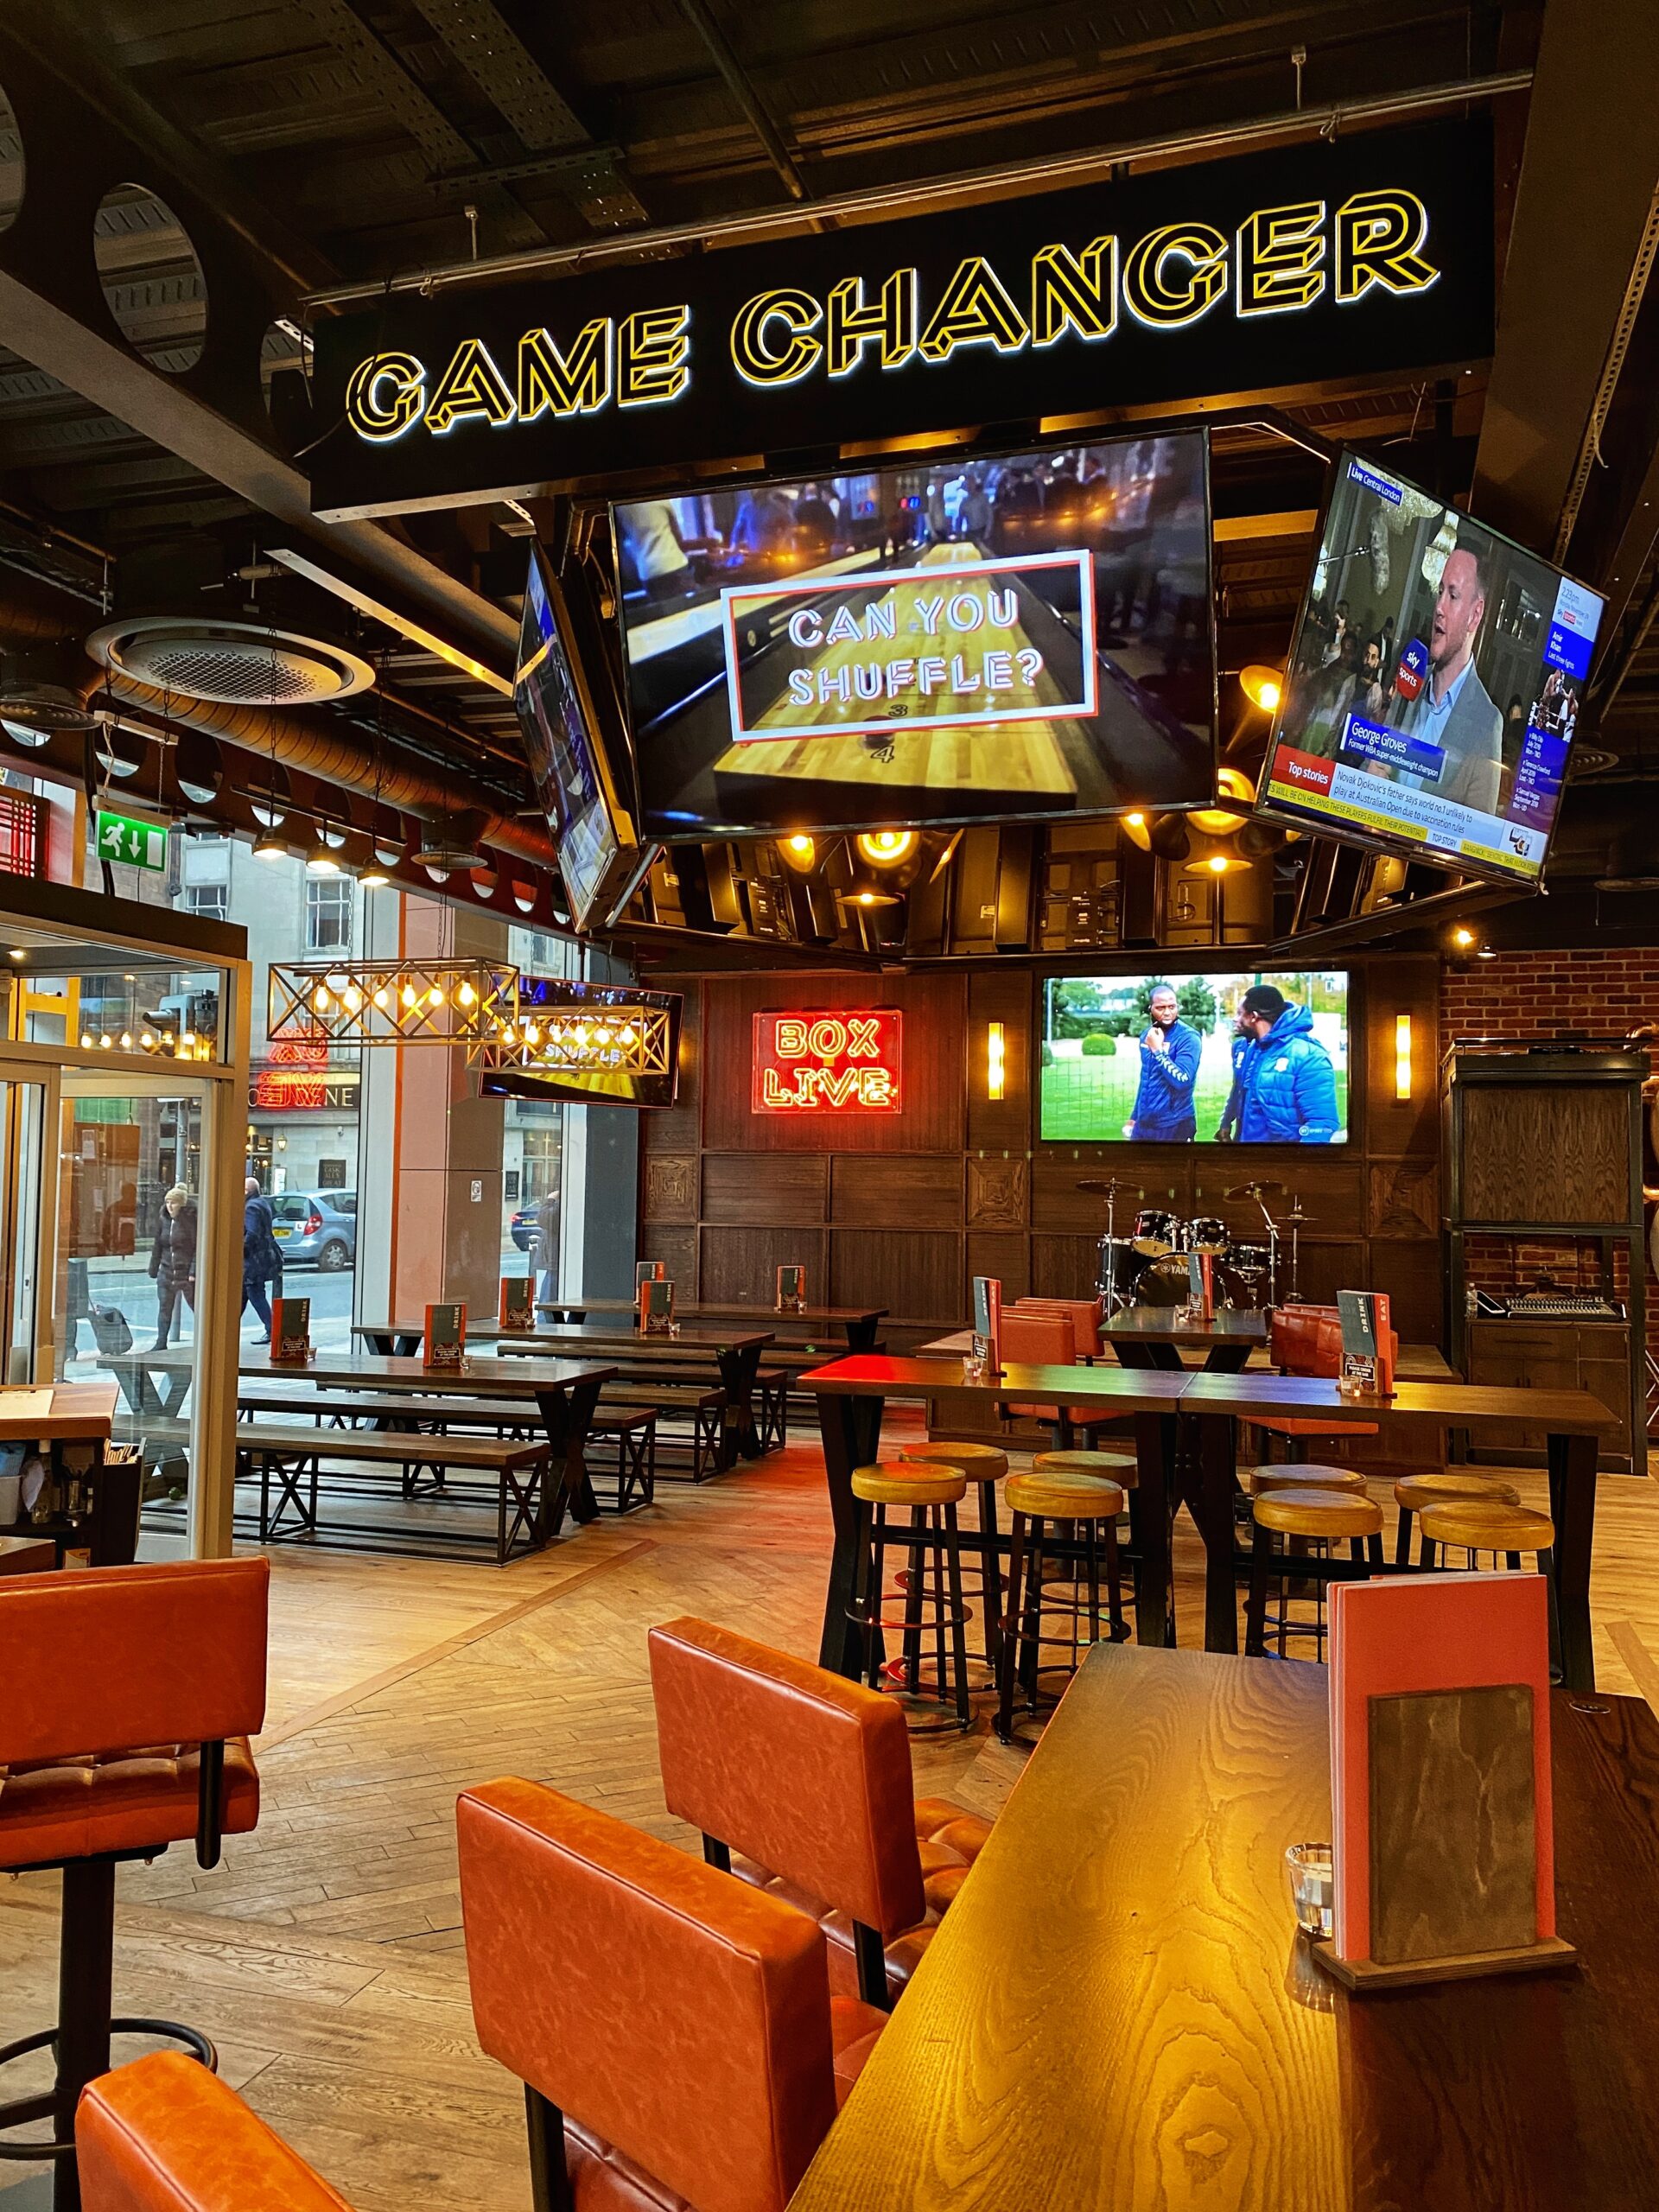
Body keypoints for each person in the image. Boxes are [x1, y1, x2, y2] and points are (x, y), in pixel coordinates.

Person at [1389, 543, 1503, 810]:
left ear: (1475, 615)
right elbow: (1370, 765)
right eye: (1440, 591)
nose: (1439, 607)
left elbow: (1475, 830)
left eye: (1452, 596)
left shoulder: (1487, 722)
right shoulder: (1410, 682)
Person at [1234, 985, 1339, 1144]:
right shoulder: (1252, 1049)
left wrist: (1294, 1159)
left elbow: (1322, 1124)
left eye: (1239, 1013)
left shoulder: (1309, 1056)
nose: (1235, 1019)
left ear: (1253, 1016)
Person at [1126, 984, 1202, 1142]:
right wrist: (1134, 1116)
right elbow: (1146, 1079)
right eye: (1160, 1008)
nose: (1167, 1012)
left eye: (1172, 1007)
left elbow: (1183, 1081)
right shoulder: (1147, 1035)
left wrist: (1158, 1051)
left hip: (1175, 1123)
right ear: (1151, 1009)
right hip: (1144, 1123)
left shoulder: (1188, 1038)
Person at [147, 1185, 198, 1351]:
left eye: (174, 1203)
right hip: (166, 1271)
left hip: (185, 1273)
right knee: (164, 1308)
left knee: (197, 1307)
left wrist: (193, 1271)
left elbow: (197, 1247)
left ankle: (205, 1340)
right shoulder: (163, 1220)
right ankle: (161, 1342)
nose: (170, 1206)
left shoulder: (190, 1221)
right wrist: (153, 1268)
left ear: (181, 1205)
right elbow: (158, 1245)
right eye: (167, 1202)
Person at [241, 1175, 283, 1342]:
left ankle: (273, 1329)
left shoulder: (250, 1207)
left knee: (255, 1293)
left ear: (246, 1191)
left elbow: (252, 1233)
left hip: (253, 1260)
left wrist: (241, 1250)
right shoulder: (262, 1203)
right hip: (261, 1257)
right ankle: (225, 1329)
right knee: (243, 1294)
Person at [1213, 1014, 1253, 1141]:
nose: (1235, 1019)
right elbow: (1237, 1087)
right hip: (1241, 1128)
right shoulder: (1238, 1046)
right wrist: (1226, 1122)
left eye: (1241, 1013)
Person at [535, 1183, 561, 1306]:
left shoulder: (561, 1203)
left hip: (555, 1260)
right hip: (555, 1259)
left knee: (547, 1303)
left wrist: (550, 1200)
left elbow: (544, 1218)